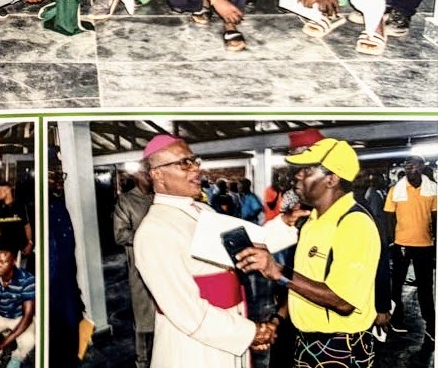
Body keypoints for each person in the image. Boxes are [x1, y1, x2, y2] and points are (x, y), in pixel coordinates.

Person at [134, 134, 276, 367]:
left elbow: (247, 244)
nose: (196, 169)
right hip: (193, 346)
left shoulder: (204, 210)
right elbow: (186, 311)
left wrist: (286, 224)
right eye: (184, 163)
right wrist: (251, 333)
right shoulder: (153, 230)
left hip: (228, 324)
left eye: (194, 161)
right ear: (157, 174)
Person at [237, 138, 380, 368]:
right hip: (306, 341)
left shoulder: (354, 224)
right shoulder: (310, 222)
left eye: (308, 170)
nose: (297, 176)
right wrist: (278, 319)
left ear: (332, 179)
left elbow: (343, 301)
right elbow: (301, 281)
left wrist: (279, 272)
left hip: (340, 344)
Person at [384, 155, 437, 340]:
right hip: (401, 244)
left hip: (425, 245)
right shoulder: (395, 190)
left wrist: (435, 240)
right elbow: (389, 216)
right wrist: (393, 240)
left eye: (412, 166)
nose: (408, 169)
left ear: (421, 167)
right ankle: (396, 320)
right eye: (406, 166)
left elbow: (435, 216)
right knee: (396, 285)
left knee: (425, 287)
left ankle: (431, 325)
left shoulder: (432, 189)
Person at [113, 169, 154, 368]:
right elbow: (120, 235)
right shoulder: (126, 201)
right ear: (137, 176)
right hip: (140, 267)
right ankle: (142, 360)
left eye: (150, 173)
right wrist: (149, 235)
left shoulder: (160, 198)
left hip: (164, 264)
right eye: (144, 174)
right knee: (143, 316)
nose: (149, 177)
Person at [48, 166, 84, 367]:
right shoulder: (41, 208)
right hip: (53, 281)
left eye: (61, 177)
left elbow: (69, 246)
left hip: (67, 278)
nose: (59, 181)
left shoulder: (61, 206)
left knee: (71, 324)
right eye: (54, 177)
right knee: (56, 327)